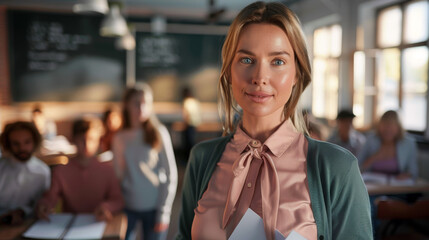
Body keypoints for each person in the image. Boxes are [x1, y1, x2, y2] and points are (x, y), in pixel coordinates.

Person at [177, 2, 372, 240]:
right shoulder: (202, 159)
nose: (260, 77)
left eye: (277, 61)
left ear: (297, 73)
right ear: (229, 70)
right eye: (246, 60)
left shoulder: (337, 168)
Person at [112, 83, 178, 240]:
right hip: (127, 207)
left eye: (146, 103)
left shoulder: (158, 133)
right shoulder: (120, 137)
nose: (141, 108)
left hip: (154, 207)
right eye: (136, 103)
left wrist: (164, 212)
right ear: (126, 105)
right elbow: (117, 175)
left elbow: (171, 174)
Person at [36, 116, 124, 221]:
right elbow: (50, 198)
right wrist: (44, 205)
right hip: (69, 225)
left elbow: (118, 200)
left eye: (91, 139)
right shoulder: (61, 171)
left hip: (97, 222)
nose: (86, 145)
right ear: (73, 140)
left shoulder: (107, 170)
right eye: (82, 140)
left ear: (99, 141)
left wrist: (107, 207)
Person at [0, 121, 50, 225]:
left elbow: (41, 204)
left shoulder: (43, 171)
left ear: (35, 141)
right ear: (8, 144)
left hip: (29, 225)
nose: (22, 148)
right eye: (16, 143)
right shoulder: (2, 169)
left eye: (27, 142)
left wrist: (22, 212)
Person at [358, 110, 418, 180]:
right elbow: (357, 168)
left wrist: (407, 175)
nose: (388, 129)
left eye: (391, 125)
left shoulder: (408, 143)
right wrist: (374, 157)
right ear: (379, 126)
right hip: (373, 186)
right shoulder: (371, 140)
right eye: (385, 125)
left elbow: (414, 172)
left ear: (398, 128)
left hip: (398, 186)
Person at [181, 87, 202, 159]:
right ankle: (193, 157)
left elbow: (186, 115)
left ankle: (187, 159)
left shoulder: (186, 102)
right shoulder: (195, 101)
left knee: (187, 143)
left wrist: (185, 125)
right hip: (195, 125)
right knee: (193, 142)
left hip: (189, 125)